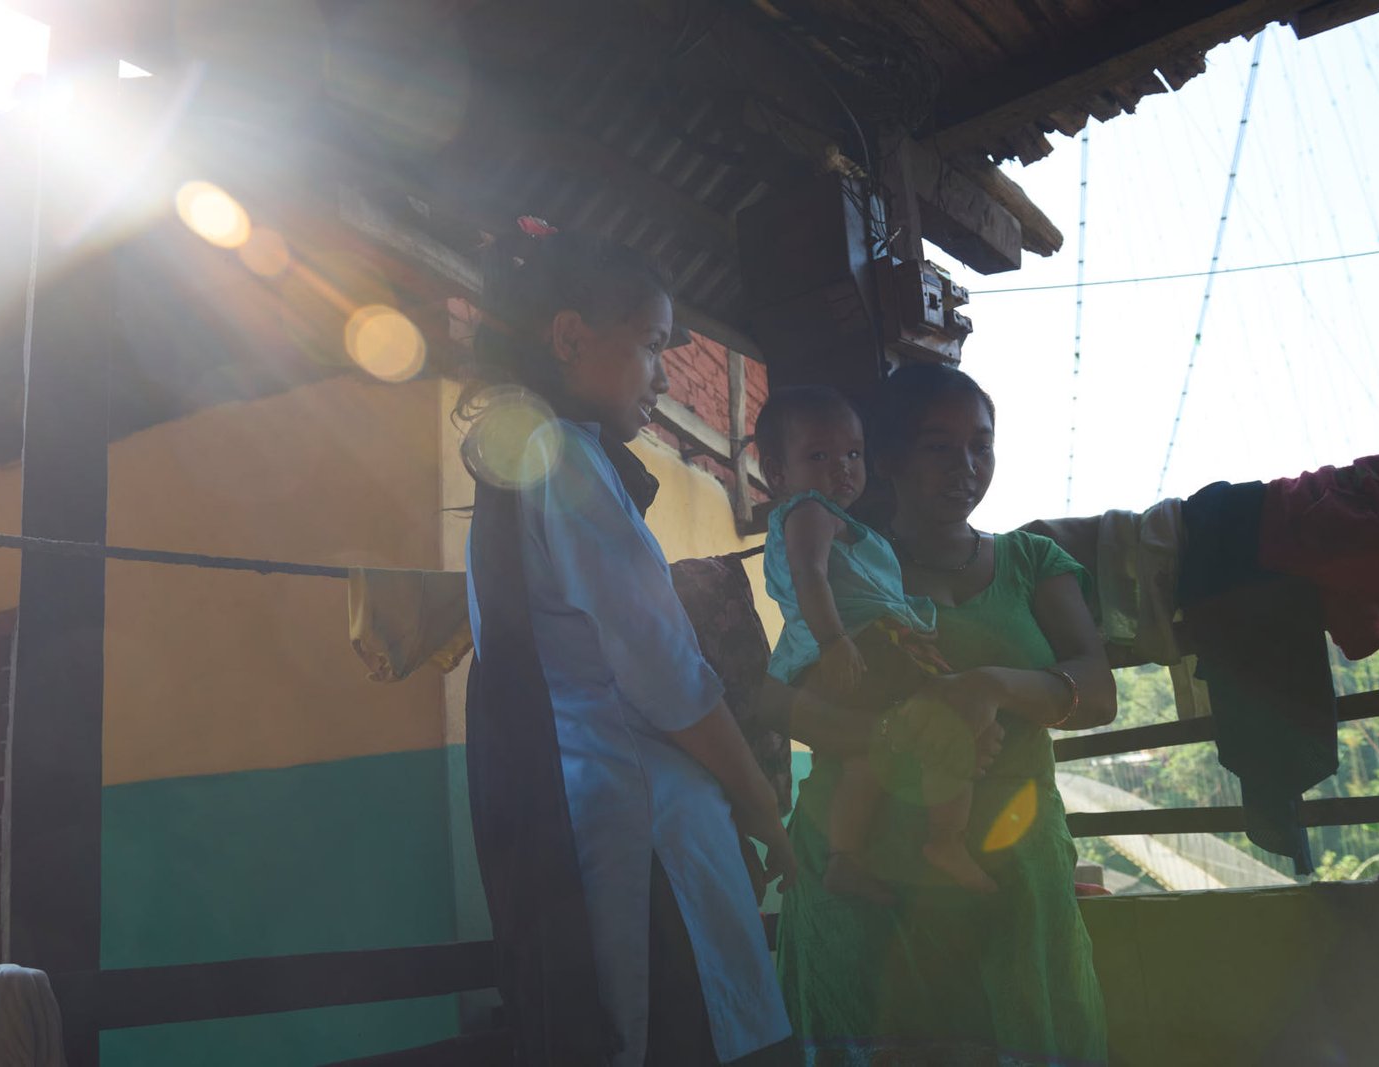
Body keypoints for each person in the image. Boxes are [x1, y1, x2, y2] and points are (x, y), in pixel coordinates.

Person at [459, 229, 797, 1067]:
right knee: (687, 1031)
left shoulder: (519, 464)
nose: (662, 374)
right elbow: (668, 676)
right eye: (651, 344)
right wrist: (763, 806)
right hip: (647, 830)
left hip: (584, 819)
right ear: (570, 337)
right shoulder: (567, 462)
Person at [774, 362, 1117, 1066]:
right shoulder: (846, 565)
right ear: (889, 459)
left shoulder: (1032, 560)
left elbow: (1098, 691)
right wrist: (895, 733)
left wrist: (989, 685)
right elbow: (781, 700)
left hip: (1011, 878)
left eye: (980, 446)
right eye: (939, 447)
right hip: (866, 881)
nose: (966, 467)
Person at [754, 386, 1002, 898]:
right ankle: (946, 840)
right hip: (859, 647)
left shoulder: (836, 521)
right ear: (777, 473)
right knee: (954, 718)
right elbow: (808, 574)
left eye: (852, 453)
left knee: (864, 757)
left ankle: (845, 856)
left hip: (847, 651)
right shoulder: (809, 512)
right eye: (819, 456)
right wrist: (834, 641)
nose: (842, 468)